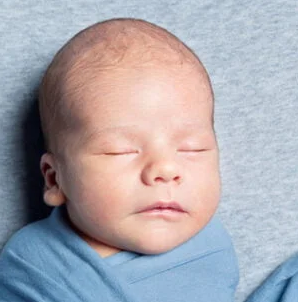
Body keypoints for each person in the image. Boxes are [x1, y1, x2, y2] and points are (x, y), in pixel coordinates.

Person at [37, 17, 221, 258]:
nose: (165, 169)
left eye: (192, 149)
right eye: (120, 151)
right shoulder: (37, 263)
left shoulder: (215, 250)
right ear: (54, 179)